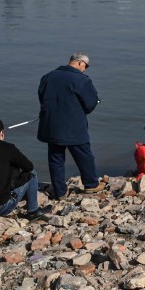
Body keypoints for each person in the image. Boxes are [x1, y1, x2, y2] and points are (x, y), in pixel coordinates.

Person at [38, 52, 103, 198]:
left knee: (55, 159)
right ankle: (91, 184)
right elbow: (90, 104)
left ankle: (60, 192)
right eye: (85, 66)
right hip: (73, 126)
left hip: (51, 125)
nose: (85, 69)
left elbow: (42, 98)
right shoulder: (81, 80)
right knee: (84, 155)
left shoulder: (48, 76)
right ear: (79, 63)